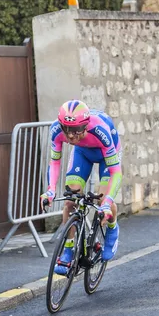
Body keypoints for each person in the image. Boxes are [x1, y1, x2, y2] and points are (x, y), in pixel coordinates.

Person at [40, 100, 122, 273]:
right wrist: (50, 190)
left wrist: (107, 201)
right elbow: (54, 162)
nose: (70, 136)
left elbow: (116, 172)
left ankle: (113, 229)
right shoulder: (56, 130)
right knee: (70, 201)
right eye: (67, 129)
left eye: (76, 130)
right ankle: (68, 249)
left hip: (105, 155)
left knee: (102, 201)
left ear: (85, 126)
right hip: (82, 153)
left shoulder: (100, 130)